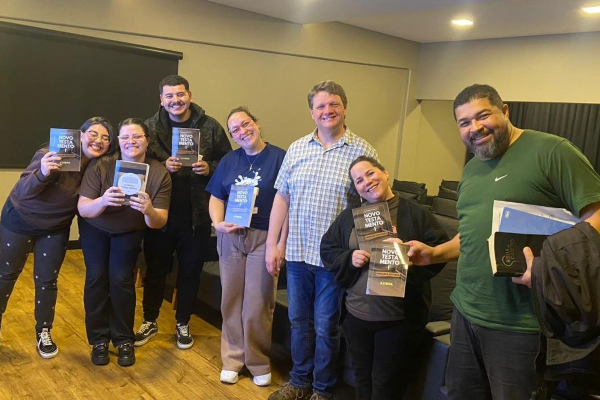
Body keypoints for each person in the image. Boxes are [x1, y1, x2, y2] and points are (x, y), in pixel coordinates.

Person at [406, 84, 600, 399]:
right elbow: (472, 234)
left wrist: (551, 268)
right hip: (466, 312)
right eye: (464, 122)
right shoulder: (472, 168)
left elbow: (596, 216)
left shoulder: (552, 151)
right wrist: (435, 253)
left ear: (505, 111)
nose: (475, 127)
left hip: (521, 324)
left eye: (483, 115)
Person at [266, 81, 378, 400]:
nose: (327, 111)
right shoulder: (297, 148)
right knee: (298, 321)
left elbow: (372, 204)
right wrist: (274, 244)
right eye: (320, 106)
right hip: (298, 252)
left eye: (334, 104)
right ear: (312, 112)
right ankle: (299, 381)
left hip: (335, 259)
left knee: (326, 325)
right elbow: (282, 198)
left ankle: (322, 389)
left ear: (345, 108)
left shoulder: (364, 151)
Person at [320, 156, 448, 400]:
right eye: (359, 180)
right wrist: (349, 257)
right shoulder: (351, 216)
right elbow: (327, 247)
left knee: (386, 384)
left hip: (397, 320)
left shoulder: (416, 214)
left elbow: (439, 252)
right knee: (361, 378)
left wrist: (407, 252)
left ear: (386, 173)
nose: (366, 182)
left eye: (370, 173)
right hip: (356, 315)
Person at [0, 116, 113, 358]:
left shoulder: (98, 168)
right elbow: (23, 191)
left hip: (55, 228)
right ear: (80, 135)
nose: (99, 140)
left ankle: (43, 331)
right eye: (93, 134)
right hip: (20, 220)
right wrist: (43, 172)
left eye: (105, 138)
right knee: (5, 276)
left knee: (47, 281)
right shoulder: (49, 154)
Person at [134, 75, 232, 350]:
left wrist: (209, 168)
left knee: (190, 271)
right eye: (169, 96)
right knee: (155, 270)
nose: (175, 100)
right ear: (161, 100)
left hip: (197, 215)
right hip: (159, 212)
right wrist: (162, 166)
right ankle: (150, 320)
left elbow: (228, 160)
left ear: (189, 95)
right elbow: (136, 159)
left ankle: (183, 322)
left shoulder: (210, 126)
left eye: (180, 94)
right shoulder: (148, 128)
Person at [78, 118, 171, 367]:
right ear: (118, 141)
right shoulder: (102, 165)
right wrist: (103, 201)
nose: (131, 142)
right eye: (125, 137)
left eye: (137, 136)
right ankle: (99, 340)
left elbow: (159, 221)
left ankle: (123, 339)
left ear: (147, 141)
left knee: (121, 279)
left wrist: (149, 210)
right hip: (95, 227)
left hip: (129, 230)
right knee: (96, 277)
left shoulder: (159, 173)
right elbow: (83, 208)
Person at [206, 107, 287, 387]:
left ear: (256, 123)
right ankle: (232, 359)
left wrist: (280, 243)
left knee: (259, 302)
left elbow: (288, 203)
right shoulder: (229, 160)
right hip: (231, 237)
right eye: (235, 130)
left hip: (264, 238)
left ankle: (258, 361)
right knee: (230, 299)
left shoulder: (279, 158)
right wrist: (217, 223)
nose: (242, 131)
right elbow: (216, 197)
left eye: (246, 124)